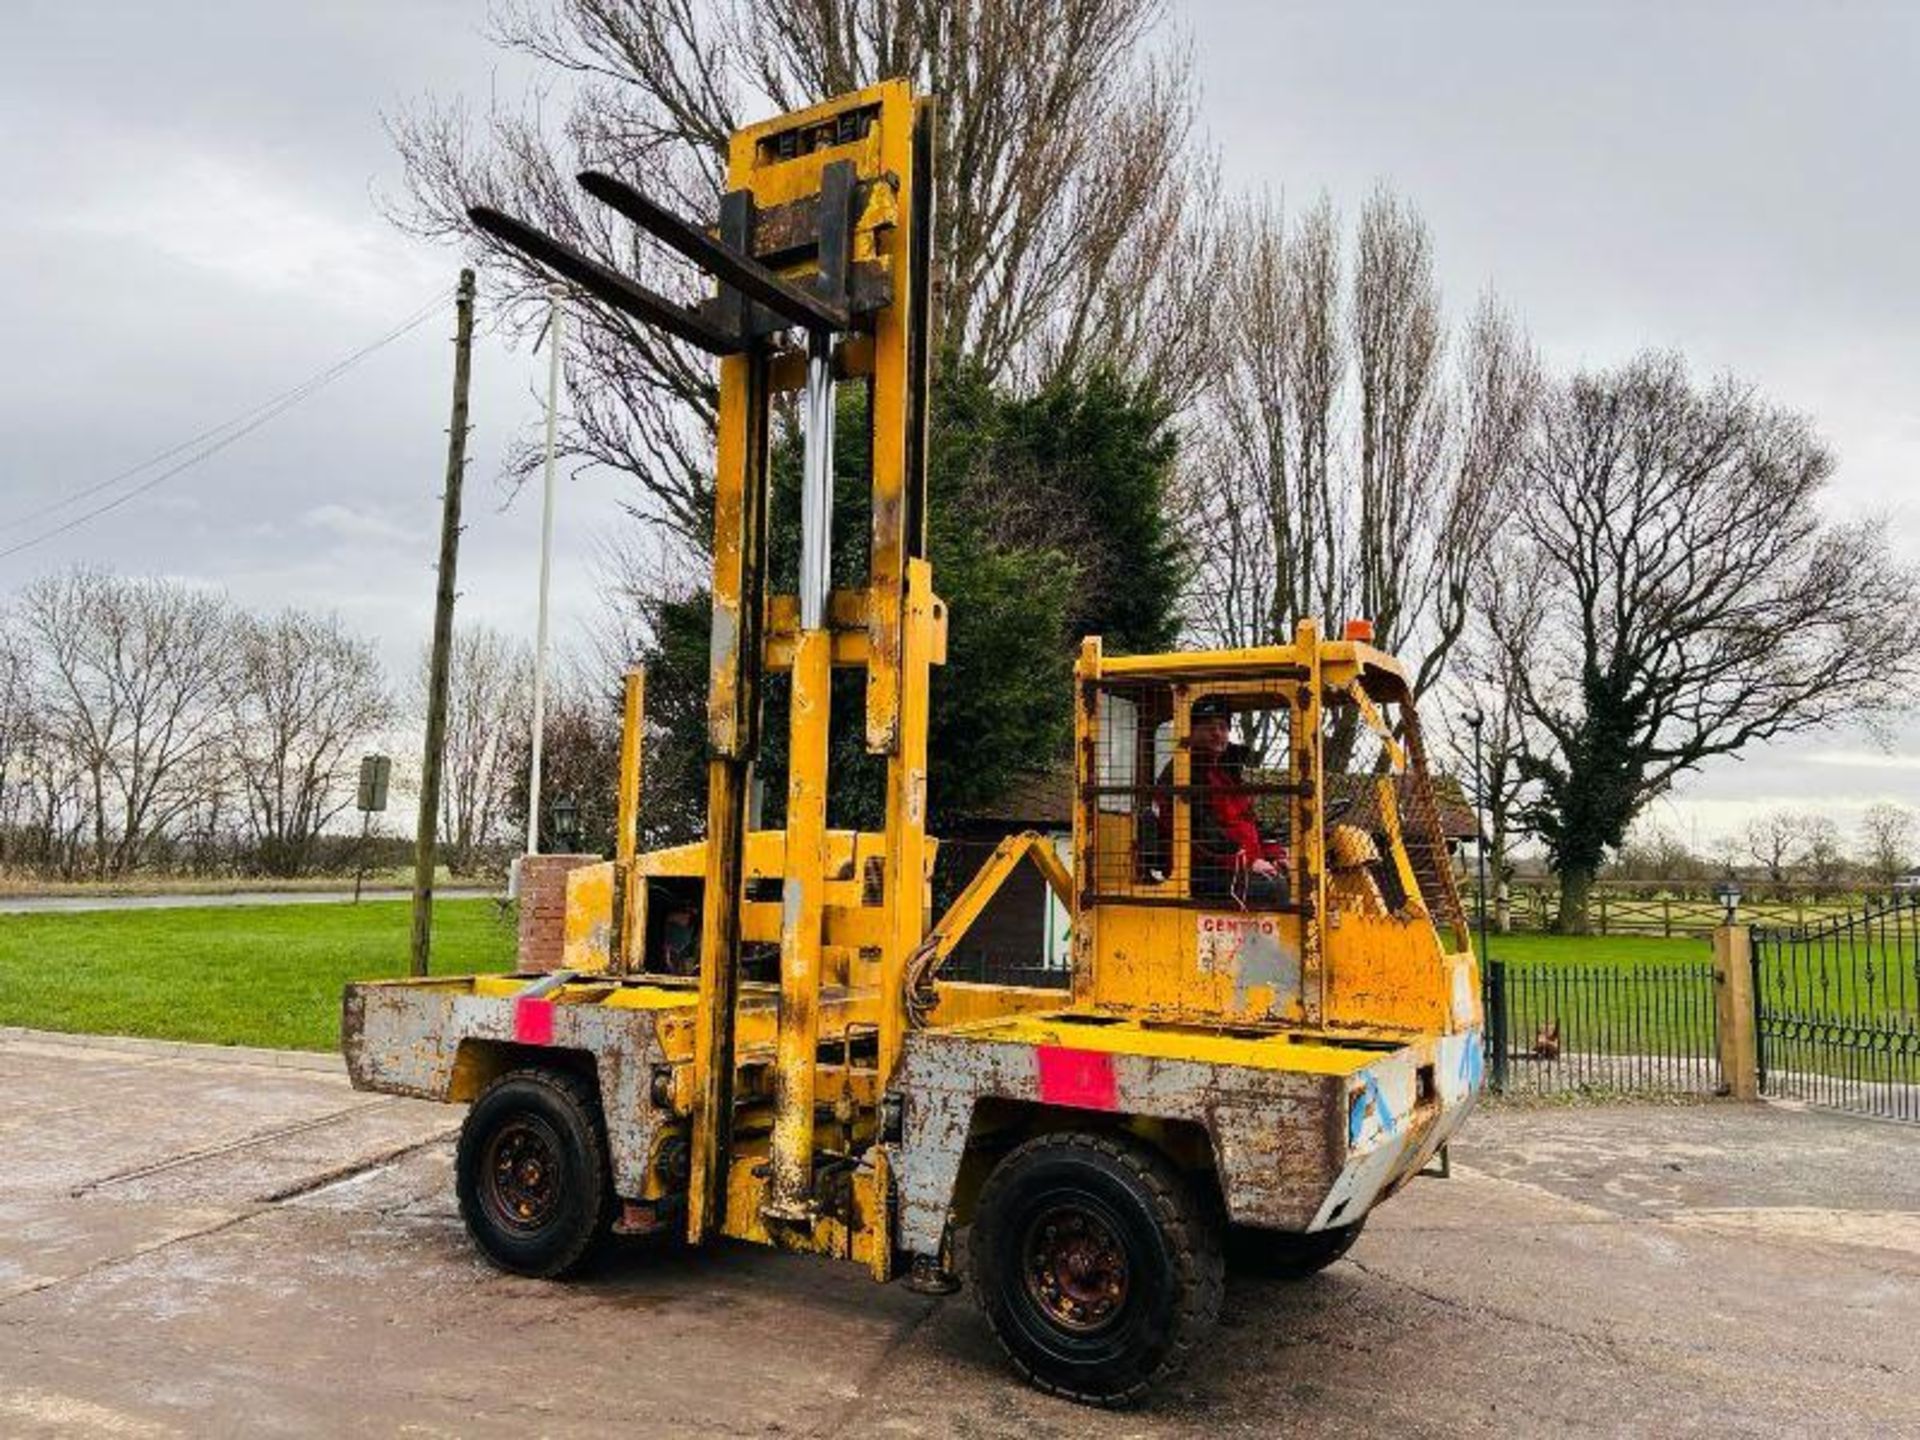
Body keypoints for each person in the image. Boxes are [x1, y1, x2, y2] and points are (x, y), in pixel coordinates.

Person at [1148, 696, 1290, 906]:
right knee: (1274, 889)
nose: (1217, 734)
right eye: (1208, 727)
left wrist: (1274, 854)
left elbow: (1249, 822)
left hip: (1234, 867)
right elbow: (1198, 831)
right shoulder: (1182, 774)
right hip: (1202, 873)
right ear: (1191, 732)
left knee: (1300, 878)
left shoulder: (1227, 774)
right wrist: (1248, 862)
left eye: (1223, 727)